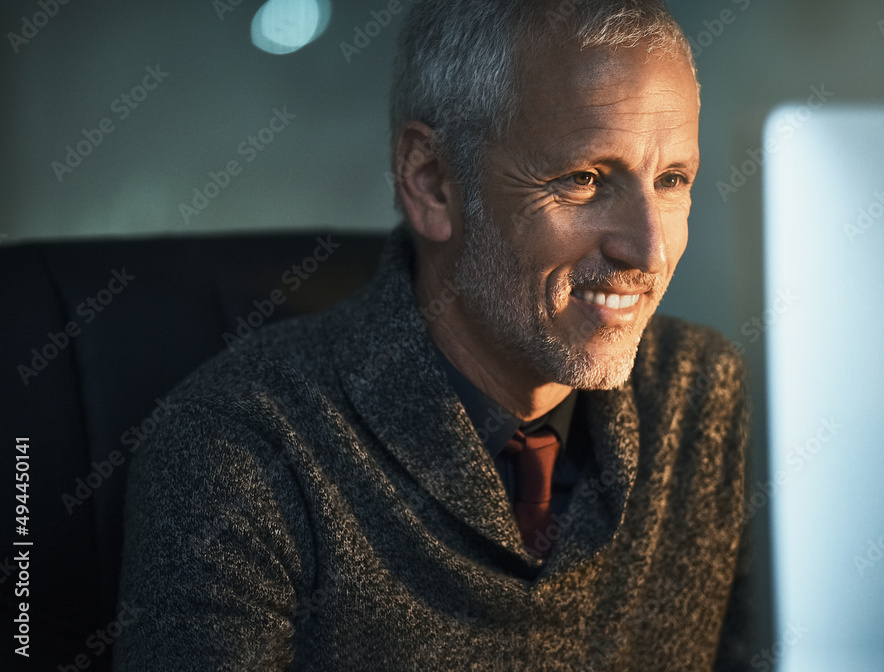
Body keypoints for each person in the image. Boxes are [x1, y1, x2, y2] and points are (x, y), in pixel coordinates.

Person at [116, 1, 751, 669]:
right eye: (585, 180)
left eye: (673, 180)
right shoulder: (238, 448)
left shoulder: (703, 391)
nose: (649, 251)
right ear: (432, 182)